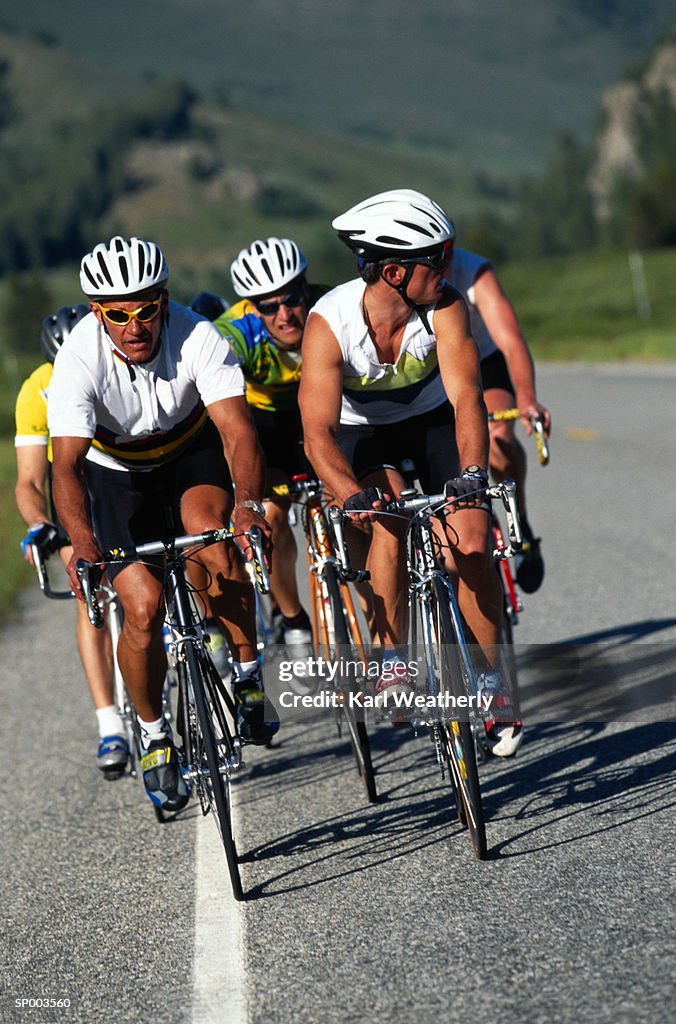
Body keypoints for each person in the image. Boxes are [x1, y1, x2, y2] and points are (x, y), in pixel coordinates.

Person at [48, 236, 278, 814]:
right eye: (119, 314)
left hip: (187, 455)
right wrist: (82, 544)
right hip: (113, 474)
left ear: (165, 301)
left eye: (147, 309)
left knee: (219, 547)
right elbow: (68, 467)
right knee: (144, 608)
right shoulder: (78, 358)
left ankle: (248, 672)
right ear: (99, 314)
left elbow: (238, 432)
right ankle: (153, 735)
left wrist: (248, 504)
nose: (134, 325)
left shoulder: (198, 333)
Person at [299, 189, 522, 757]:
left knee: (471, 541)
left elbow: (468, 399)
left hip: (432, 421)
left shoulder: (446, 306)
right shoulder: (330, 324)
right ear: (394, 271)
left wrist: (472, 473)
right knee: (388, 523)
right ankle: (393, 661)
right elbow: (317, 433)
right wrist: (349, 496)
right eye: (438, 258)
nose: (450, 268)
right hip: (362, 432)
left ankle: (492, 685)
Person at [14, 305, 125, 778]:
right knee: (89, 598)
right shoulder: (35, 391)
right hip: (72, 490)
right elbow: (29, 481)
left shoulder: (112, 366)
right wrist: (40, 522)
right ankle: (109, 724)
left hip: (117, 479)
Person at [214, 236, 325, 653]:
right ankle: (293, 616)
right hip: (265, 425)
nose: (284, 314)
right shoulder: (232, 334)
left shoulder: (332, 308)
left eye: (293, 298)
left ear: (307, 287)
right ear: (250, 307)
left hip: (324, 410)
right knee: (273, 515)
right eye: (267, 306)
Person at [447, 246, 551, 593]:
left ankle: (518, 522)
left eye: (441, 257)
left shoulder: (473, 271)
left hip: (483, 363)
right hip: (434, 372)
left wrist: (526, 399)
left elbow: (511, 341)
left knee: (496, 437)